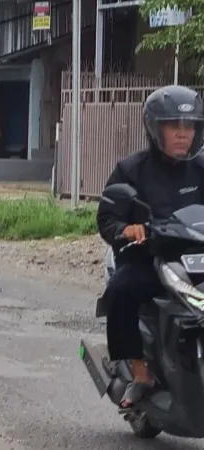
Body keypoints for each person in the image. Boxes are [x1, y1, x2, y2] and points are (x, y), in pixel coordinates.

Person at [97, 84, 204, 411]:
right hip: (150, 258)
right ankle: (140, 373)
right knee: (120, 292)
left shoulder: (202, 167)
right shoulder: (132, 169)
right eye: (174, 126)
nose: (183, 134)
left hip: (196, 256)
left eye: (190, 126)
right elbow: (107, 217)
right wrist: (126, 230)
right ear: (155, 129)